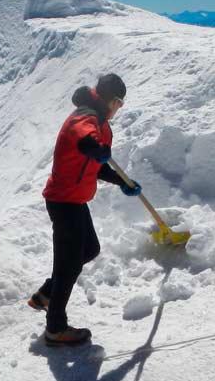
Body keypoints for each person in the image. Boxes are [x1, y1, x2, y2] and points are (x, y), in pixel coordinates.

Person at [30, 73, 142, 346]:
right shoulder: (86, 117)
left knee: (89, 249)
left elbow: (97, 164)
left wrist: (122, 182)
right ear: (111, 100)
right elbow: (82, 137)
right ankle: (55, 329)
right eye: (120, 103)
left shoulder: (102, 124)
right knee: (68, 265)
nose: (119, 108)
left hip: (75, 200)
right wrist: (93, 146)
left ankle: (46, 294)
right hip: (63, 201)